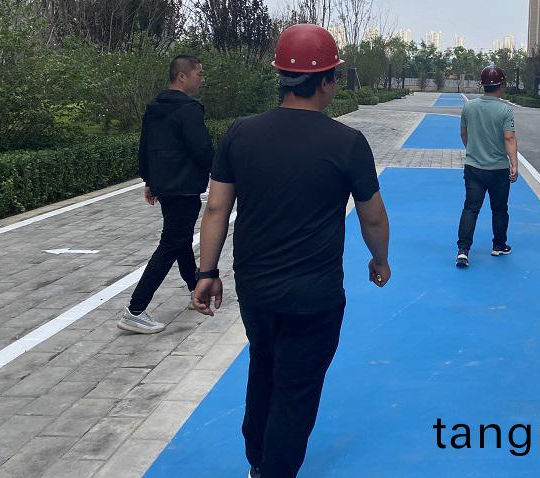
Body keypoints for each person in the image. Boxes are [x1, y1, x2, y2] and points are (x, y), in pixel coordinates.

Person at [191, 24, 391, 478]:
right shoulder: (347, 143)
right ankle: (273, 470)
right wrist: (379, 260)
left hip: (256, 289)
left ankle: (256, 460)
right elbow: (373, 218)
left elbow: (217, 208)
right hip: (314, 294)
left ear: (281, 76)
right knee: (296, 389)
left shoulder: (240, 133)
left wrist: (207, 272)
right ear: (326, 81)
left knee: (263, 364)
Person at [118, 55, 215, 334]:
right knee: (172, 243)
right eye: (199, 74)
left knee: (180, 239)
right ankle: (135, 309)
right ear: (182, 76)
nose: (202, 79)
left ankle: (196, 290)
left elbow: (145, 146)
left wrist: (149, 180)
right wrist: (223, 173)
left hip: (167, 185)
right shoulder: (189, 109)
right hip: (184, 185)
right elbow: (202, 149)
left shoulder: (155, 107)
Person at [455, 64, 518, 268]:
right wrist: (514, 164)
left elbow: (463, 134)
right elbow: (509, 138)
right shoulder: (505, 110)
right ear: (501, 85)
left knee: (470, 208)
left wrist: (472, 149)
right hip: (498, 169)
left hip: (473, 168)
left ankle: (463, 250)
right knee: (499, 209)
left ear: (483, 85)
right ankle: (499, 245)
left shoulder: (469, 107)